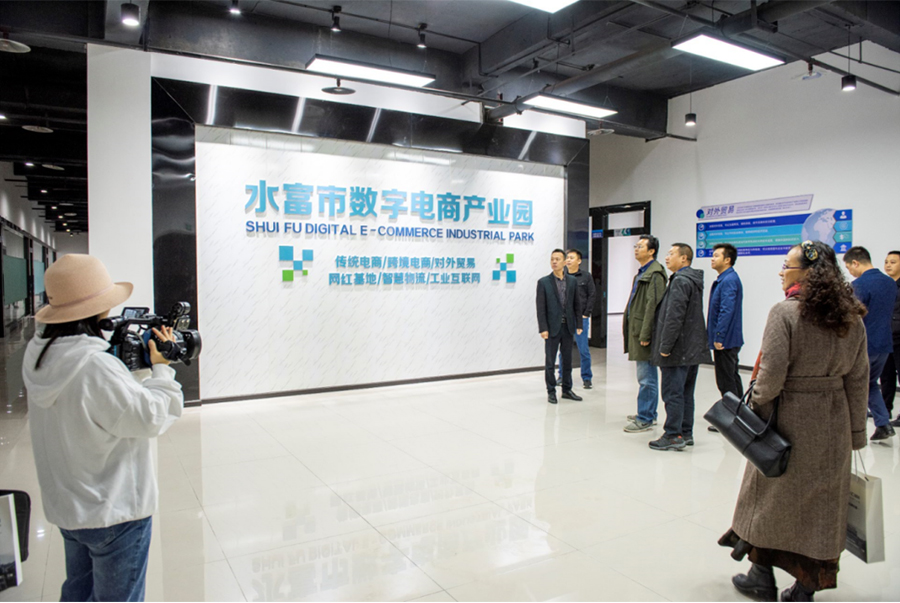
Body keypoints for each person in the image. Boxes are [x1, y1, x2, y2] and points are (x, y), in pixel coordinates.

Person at [22, 254, 184, 602]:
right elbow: (152, 417)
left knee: (78, 592)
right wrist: (161, 368)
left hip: (69, 507)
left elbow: (99, 406)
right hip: (114, 512)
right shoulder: (94, 366)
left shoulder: (40, 355)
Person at [720, 241, 868, 602]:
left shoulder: (785, 313)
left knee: (768, 500)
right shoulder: (851, 316)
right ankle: (805, 587)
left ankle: (761, 576)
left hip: (787, 422)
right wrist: (855, 433)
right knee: (822, 508)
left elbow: (770, 377)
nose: (781, 271)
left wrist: (755, 408)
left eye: (786, 265)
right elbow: (858, 377)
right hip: (832, 422)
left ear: (807, 273)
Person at [648, 243, 710, 450]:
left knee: (673, 393)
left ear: (684, 258)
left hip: (677, 349)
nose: (667, 257)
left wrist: (665, 346)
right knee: (686, 392)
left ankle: (673, 434)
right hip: (691, 348)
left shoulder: (681, 281)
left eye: (671, 254)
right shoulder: (691, 279)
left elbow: (674, 317)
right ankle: (686, 432)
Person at [844, 245, 897, 441]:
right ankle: (883, 424)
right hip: (884, 344)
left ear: (855, 262)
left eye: (849, 267)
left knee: (851, 384)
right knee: (870, 383)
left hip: (864, 345)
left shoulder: (858, 285)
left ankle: (851, 428)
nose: (850, 272)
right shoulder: (890, 283)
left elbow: (850, 318)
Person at [623, 235, 667, 433]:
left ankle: (645, 418)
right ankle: (649, 412)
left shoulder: (655, 274)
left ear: (651, 251)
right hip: (638, 330)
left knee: (646, 377)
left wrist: (645, 334)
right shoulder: (643, 272)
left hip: (644, 332)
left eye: (640, 246)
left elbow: (653, 306)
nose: (636, 249)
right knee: (645, 376)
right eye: (636, 246)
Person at [537, 248, 584, 404]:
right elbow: (540, 308)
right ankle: (551, 391)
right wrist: (543, 328)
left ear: (564, 262)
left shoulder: (572, 281)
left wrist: (579, 323)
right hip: (551, 328)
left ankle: (567, 390)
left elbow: (577, 304)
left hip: (568, 327)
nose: (554, 262)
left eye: (557, 259)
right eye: (552, 259)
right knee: (550, 362)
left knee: (567, 360)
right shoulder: (543, 282)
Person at [707, 242, 744, 433]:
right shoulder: (726, 278)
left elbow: (726, 310)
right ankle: (740, 416)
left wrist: (719, 336)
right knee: (731, 377)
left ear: (727, 260)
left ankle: (732, 420)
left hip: (726, 340)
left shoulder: (728, 280)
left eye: (716, 256)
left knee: (726, 380)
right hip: (729, 338)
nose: (712, 259)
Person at [556, 249, 596, 389]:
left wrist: (586, 313)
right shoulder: (561, 276)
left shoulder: (586, 276)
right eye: (567, 258)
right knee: (564, 349)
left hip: (581, 318)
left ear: (579, 261)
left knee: (583, 349)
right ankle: (562, 376)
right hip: (565, 318)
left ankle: (587, 377)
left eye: (571, 258)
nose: (568, 260)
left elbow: (592, 295)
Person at [880, 250, 900, 426]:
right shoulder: (885, 286)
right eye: (886, 262)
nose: (888, 265)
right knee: (886, 377)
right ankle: (884, 411)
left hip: (899, 338)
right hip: (886, 338)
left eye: (893, 262)